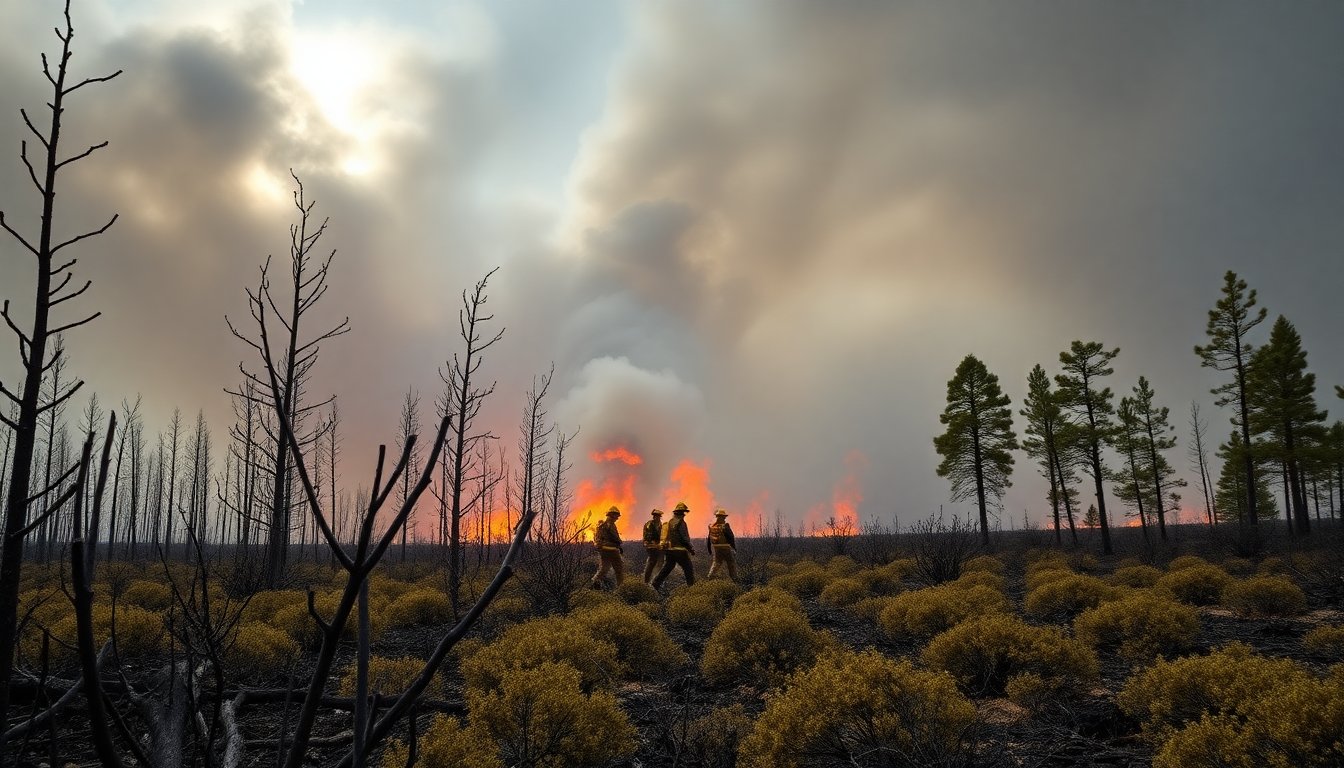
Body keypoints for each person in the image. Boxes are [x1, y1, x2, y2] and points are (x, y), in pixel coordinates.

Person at [651, 502, 696, 589]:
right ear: (681, 513)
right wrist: (691, 549)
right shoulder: (681, 523)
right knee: (688, 569)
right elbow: (684, 538)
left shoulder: (670, 522)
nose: (684, 515)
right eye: (683, 513)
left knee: (667, 569)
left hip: (670, 551)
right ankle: (692, 588)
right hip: (680, 551)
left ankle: (655, 585)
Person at [589, 505, 624, 588]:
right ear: (612, 515)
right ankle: (621, 588)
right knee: (619, 570)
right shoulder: (610, 525)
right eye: (616, 516)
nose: (617, 518)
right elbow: (615, 538)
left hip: (604, 550)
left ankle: (594, 583)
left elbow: (598, 539)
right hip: (612, 550)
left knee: (604, 568)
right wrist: (619, 544)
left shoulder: (602, 525)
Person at [706, 508, 738, 581]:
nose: (724, 518)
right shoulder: (725, 526)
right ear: (722, 517)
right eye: (724, 517)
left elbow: (708, 539)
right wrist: (734, 548)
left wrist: (709, 550)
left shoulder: (712, 526)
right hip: (726, 548)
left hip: (716, 549)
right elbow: (731, 538)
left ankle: (710, 577)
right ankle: (735, 579)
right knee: (731, 563)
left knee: (716, 563)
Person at [642, 508, 665, 584]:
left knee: (661, 562)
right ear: (653, 516)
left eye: (658, 516)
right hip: (651, 546)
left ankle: (655, 578)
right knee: (652, 562)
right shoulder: (649, 524)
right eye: (656, 516)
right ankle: (646, 581)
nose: (657, 517)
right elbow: (647, 537)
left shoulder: (660, 525)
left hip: (658, 546)